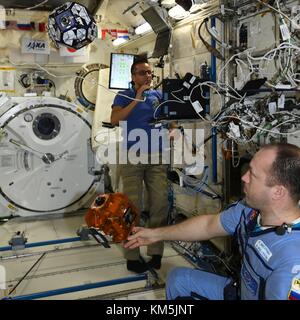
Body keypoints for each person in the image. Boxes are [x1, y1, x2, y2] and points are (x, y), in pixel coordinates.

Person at [124, 143, 300, 300]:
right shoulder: (249, 210)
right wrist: (155, 235)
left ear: (278, 192)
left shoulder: (291, 263)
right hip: (240, 292)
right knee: (179, 280)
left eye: (252, 174)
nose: (244, 177)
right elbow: (208, 226)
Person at [111, 57, 169, 273]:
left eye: (150, 73)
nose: (148, 76)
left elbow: (170, 119)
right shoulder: (124, 95)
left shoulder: (158, 96)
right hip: (133, 155)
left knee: (160, 204)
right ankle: (132, 255)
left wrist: (172, 129)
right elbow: (116, 119)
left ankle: (155, 252)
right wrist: (136, 98)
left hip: (157, 156)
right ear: (133, 76)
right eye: (143, 73)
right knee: (132, 207)